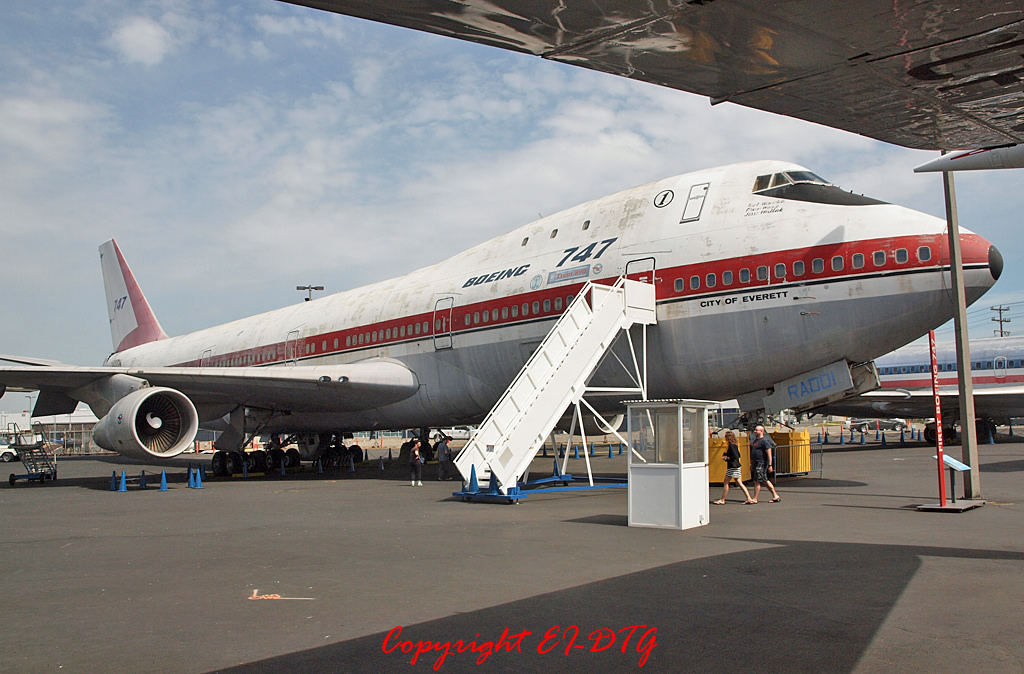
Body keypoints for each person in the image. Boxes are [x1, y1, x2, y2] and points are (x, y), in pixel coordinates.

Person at [713, 430, 753, 504]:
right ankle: (749, 498)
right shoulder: (734, 444)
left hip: (732, 466)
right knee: (739, 482)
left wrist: (727, 458)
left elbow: (735, 456)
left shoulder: (731, 445)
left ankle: (722, 499)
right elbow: (739, 455)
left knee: (726, 482)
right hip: (736, 466)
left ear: (728, 437)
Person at [749, 425, 781, 503]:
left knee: (757, 481)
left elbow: (769, 453)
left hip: (762, 463)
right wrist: (752, 464)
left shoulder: (764, 441)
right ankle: (775, 495)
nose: (755, 431)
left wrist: (770, 465)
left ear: (761, 431)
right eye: (755, 430)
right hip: (756, 463)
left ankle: (755, 498)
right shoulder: (756, 441)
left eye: (757, 430)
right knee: (764, 480)